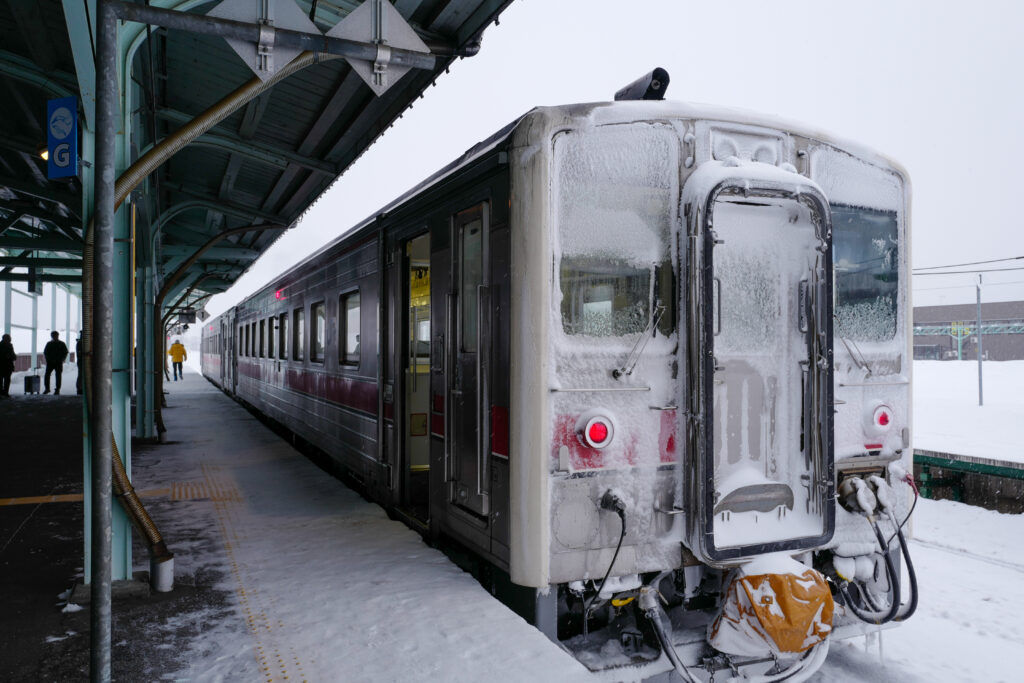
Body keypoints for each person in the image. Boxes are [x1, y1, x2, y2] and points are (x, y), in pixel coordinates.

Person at [43, 331, 69, 395]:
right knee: (55, 376)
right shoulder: (60, 343)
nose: (54, 337)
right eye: (53, 336)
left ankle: (54, 389)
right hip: (54, 362)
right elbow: (46, 353)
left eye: (55, 335)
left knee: (54, 375)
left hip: (55, 362)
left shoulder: (51, 343)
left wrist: (61, 360)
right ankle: (50, 389)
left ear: (57, 336)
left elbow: (65, 352)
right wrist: (61, 359)